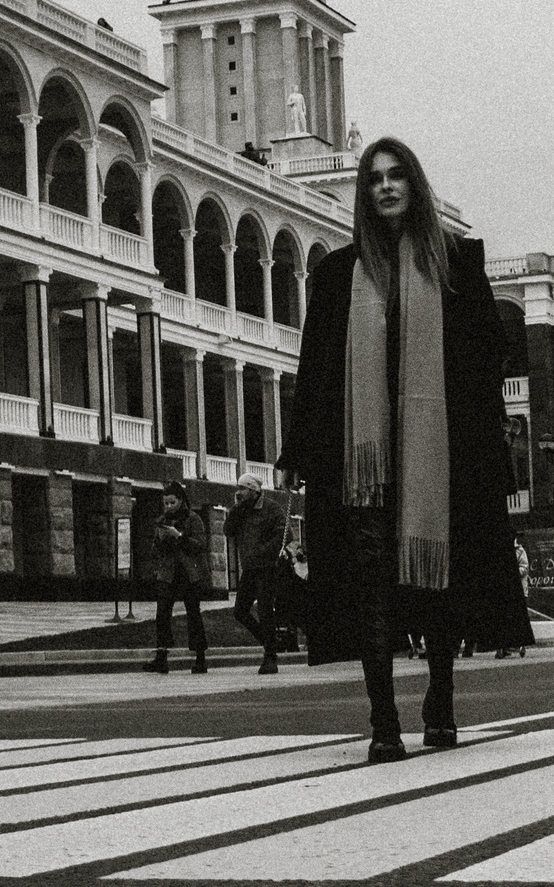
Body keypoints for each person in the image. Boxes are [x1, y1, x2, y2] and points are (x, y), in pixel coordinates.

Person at [276, 137, 532, 764]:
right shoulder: (339, 273)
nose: (386, 187)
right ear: (364, 194)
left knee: (437, 583)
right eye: (374, 179)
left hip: (438, 457)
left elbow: (486, 357)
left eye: (396, 176)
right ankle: (383, 720)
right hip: (364, 466)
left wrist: (481, 438)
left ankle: (440, 702)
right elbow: (316, 367)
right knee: (371, 591)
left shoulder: (453, 264)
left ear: (414, 186)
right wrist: (300, 452)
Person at [142, 491, 209, 674]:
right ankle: (161, 657)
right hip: (168, 573)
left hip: (188, 573)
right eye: (166, 503)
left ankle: (200, 658)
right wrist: (162, 540)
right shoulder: (162, 521)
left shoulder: (193, 518)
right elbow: (155, 548)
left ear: (181, 500)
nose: (169, 506)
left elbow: (200, 545)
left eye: (172, 502)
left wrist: (179, 536)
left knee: (193, 613)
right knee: (162, 613)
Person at [226, 477, 287, 674]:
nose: (239, 492)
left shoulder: (271, 508)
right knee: (240, 611)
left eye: (243, 488)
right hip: (250, 568)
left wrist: (263, 551)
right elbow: (228, 531)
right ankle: (271, 642)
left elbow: (285, 535)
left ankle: (270, 657)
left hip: (267, 567)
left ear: (254, 491)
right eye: (238, 488)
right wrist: (236, 509)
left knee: (264, 609)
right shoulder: (241, 510)